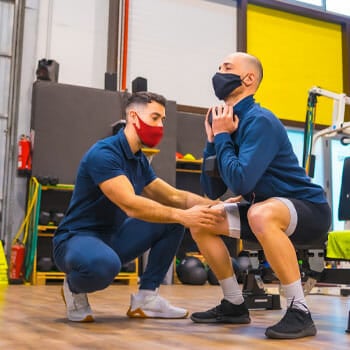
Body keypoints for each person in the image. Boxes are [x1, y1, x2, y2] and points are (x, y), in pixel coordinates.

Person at [189, 52, 331, 339]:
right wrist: (212, 141)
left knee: (259, 213)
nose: (219, 73)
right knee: (201, 218)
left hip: (309, 210)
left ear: (249, 78)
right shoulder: (227, 123)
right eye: (218, 68)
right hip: (267, 208)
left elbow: (241, 180)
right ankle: (233, 304)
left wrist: (224, 137)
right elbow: (212, 190)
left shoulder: (259, 120)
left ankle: (299, 311)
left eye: (227, 68)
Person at [53, 91, 224, 322]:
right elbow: (131, 205)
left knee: (173, 222)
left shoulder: (138, 159)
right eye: (155, 118)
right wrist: (184, 216)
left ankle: (146, 297)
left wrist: (217, 205)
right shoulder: (104, 154)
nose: (160, 126)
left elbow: (173, 197)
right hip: (76, 239)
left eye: (163, 120)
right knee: (104, 266)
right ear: (133, 117)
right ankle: (73, 287)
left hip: (113, 238)